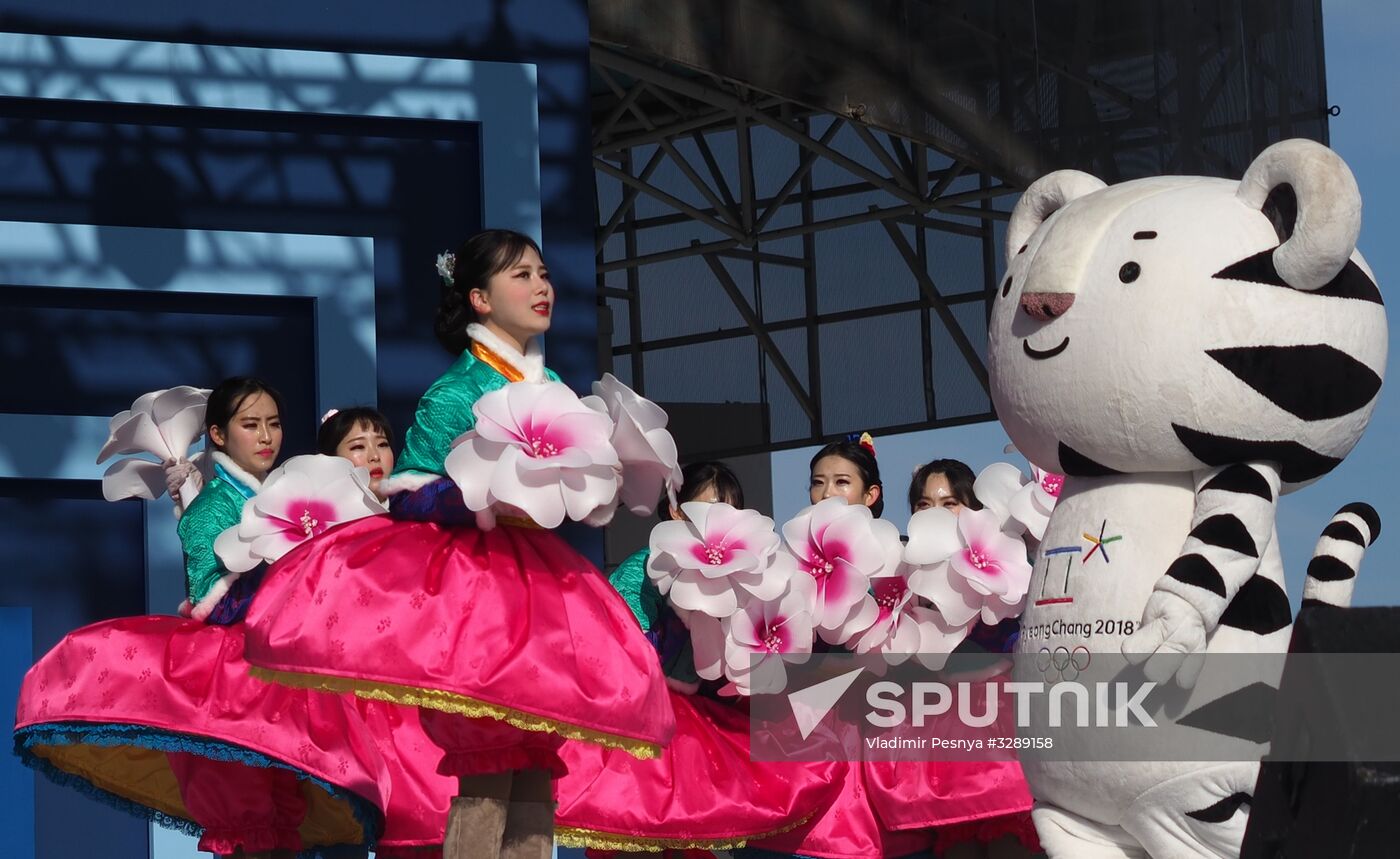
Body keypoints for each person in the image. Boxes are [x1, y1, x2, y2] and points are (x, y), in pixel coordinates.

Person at [240, 230, 673, 859]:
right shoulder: (454, 392)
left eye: (544, 274)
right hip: (479, 595)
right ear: (479, 298)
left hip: (541, 589)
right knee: (489, 765)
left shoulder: (549, 383)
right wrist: (478, 496)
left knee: (533, 767)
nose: (541, 287)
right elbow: (409, 491)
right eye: (521, 276)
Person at [14, 377, 387, 859]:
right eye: (250, 425)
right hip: (237, 683)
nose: (266, 436)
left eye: (273, 424)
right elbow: (217, 602)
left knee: (291, 817)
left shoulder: (286, 494)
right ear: (217, 435)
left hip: (289, 679)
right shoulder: (210, 507)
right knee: (249, 818)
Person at [554, 461, 840, 852]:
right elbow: (612, 647)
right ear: (676, 511)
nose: (717, 524)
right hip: (638, 721)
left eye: (729, 514)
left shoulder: (746, 577)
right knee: (627, 832)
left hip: (697, 724)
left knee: (691, 835)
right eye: (705, 511)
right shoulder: (646, 567)